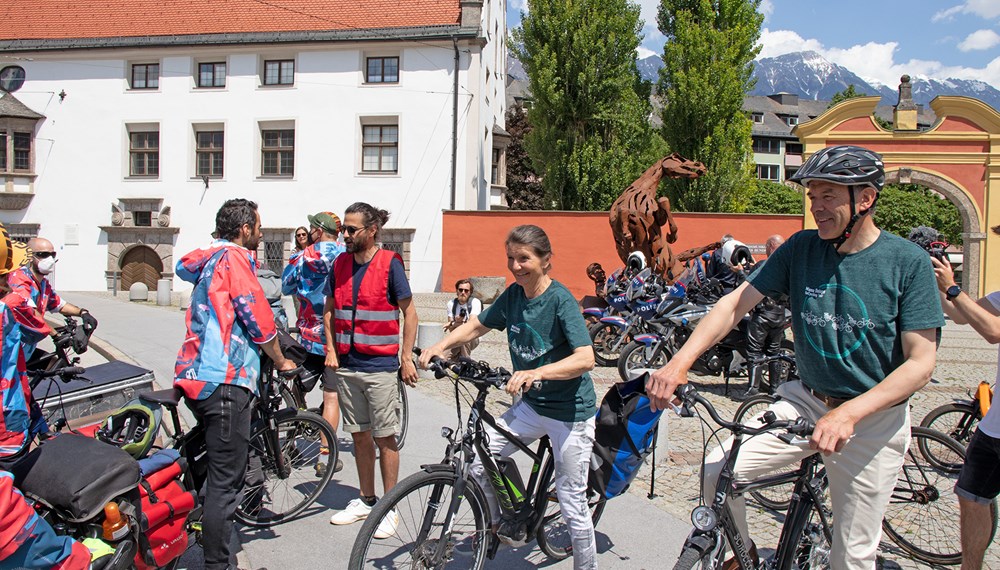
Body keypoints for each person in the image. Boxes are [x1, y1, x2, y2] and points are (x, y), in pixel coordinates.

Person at [647, 145, 943, 569]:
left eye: (828, 197)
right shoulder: (801, 249)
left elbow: (920, 362)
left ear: (865, 199)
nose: (817, 207)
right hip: (805, 400)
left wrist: (848, 414)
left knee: (853, 555)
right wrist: (678, 363)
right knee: (718, 469)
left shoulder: (906, 262)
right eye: (812, 197)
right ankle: (742, 554)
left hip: (872, 420)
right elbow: (734, 304)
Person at [419, 224, 598, 570]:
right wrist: (440, 346)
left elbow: (585, 358)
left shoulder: (560, 300)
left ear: (546, 261)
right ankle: (501, 525)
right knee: (477, 459)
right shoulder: (514, 296)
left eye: (524, 259)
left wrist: (537, 372)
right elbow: (478, 324)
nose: (516, 266)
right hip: (532, 407)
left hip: (570, 413)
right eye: (511, 259)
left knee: (572, 500)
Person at [174, 199, 296, 570]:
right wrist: (281, 359)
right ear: (245, 229)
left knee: (211, 463)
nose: (260, 232)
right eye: (258, 226)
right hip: (225, 377)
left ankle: (193, 515)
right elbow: (258, 318)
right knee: (226, 483)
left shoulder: (209, 258)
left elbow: (182, 267)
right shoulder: (235, 260)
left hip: (195, 374)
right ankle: (217, 564)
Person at [323, 202, 418, 539]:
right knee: (359, 436)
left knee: (384, 438)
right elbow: (330, 310)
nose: (344, 235)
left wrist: (406, 358)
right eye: (343, 229)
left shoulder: (390, 264)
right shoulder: (340, 264)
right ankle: (366, 499)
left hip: (379, 367)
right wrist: (331, 349)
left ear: (371, 230)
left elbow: (411, 314)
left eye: (351, 229)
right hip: (348, 365)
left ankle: (389, 506)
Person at [930, 226, 1000, 570]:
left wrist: (954, 289)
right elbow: (961, 314)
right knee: (972, 498)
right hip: (994, 425)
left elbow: (993, 331)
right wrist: (942, 282)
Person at [282, 211, 346, 476]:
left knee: (295, 386)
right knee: (331, 397)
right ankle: (325, 457)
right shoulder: (345, 256)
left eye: (311, 228)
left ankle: (294, 430)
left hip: (308, 338)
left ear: (319, 231)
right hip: (337, 339)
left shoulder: (301, 257)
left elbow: (285, 287)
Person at [0, 229, 54, 469]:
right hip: (7, 418)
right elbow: (33, 319)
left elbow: (56, 304)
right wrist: (54, 332)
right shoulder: (10, 305)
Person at [8, 237, 97, 359]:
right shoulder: (19, 279)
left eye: (52, 254)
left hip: (25, 349)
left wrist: (83, 313)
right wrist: (55, 334)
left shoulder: (43, 284)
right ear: (29, 257)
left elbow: (60, 305)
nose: (49, 259)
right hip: (10, 349)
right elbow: (30, 312)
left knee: (53, 364)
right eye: (43, 254)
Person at [739, 234, 787, 400]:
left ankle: (753, 388)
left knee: (754, 352)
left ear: (771, 246)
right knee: (774, 353)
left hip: (762, 315)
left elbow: (747, 286)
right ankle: (774, 389)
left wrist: (739, 273)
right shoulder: (788, 266)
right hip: (779, 315)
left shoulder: (763, 265)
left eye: (767, 247)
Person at [443, 278, 483, 359]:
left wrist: (453, 323)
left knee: (464, 338)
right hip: (456, 336)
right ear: (456, 291)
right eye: (460, 290)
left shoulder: (475, 302)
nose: (463, 293)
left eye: (466, 290)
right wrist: (458, 322)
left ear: (470, 292)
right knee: (443, 355)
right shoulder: (451, 304)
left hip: (473, 336)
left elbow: (471, 326)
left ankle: (465, 364)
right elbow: (451, 329)